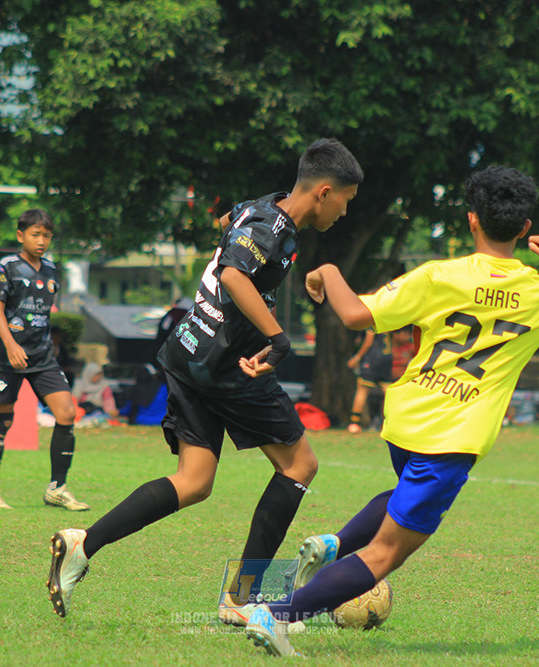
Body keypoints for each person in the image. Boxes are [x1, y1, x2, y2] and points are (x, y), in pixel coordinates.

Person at [242, 165, 539, 657]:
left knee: (402, 492)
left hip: (406, 421)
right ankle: (277, 614)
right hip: (454, 438)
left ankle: (334, 544)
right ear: (525, 228)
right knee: (385, 554)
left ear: (471, 219)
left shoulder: (440, 275)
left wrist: (328, 271)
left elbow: (355, 315)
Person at [45, 138, 363, 620]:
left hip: (190, 351)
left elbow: (227, 228)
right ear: (324, 192)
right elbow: (234, 274)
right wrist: (278, 338)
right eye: (345, 200)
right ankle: (242, 597)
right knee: (300, 465)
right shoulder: (273, 226)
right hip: (230, 366)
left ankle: (83, 544)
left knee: (194, 481)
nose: (345, 211)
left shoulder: (259, 207)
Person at [0, 209, 90, 512]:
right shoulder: (7, 266)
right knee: (3, 420)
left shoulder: (50, 268)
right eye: (35, 234)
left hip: (42, 357)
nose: (41, 241)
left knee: (66, 413)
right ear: (20, 235)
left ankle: (57, 489)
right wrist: (11, 345)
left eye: (47, 236)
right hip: (8, 357)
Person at [345, 329, 393, 433]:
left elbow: (368, 342)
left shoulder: (372, 322)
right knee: (388, 391)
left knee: (362, 389)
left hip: (373, 358)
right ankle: (391, 421)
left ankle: (354, 423)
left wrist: (357, 358)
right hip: (387, 357)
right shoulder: (387, 322)